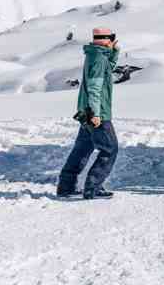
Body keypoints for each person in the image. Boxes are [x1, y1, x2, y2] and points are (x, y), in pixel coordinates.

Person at [57, 27, 120, 200]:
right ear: (105, 38)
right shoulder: (99, 58)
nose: (113, 40)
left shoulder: (95, 55)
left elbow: (109, 69)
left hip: (86, 111)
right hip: (96, 112)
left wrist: (114, 52)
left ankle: (66, 186)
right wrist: (96, 113)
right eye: (112, 38)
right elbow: (94, 87)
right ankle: (93, 187)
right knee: (110, 149)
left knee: (82, 149)